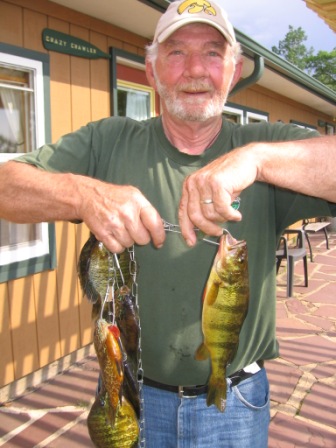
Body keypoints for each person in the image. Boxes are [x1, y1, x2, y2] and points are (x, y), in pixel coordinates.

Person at [0, 0, 335, 446]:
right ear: (151, 70)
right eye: (176, 52)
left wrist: (254, 159)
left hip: (234, 404)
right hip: (130, 395)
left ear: (234, 71)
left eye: (214, 53)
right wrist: (84, 194)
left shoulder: (272, 145)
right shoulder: (108, 141)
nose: (195, 69)